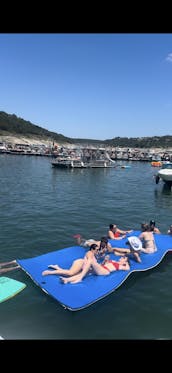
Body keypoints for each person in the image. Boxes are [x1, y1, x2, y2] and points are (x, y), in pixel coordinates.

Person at [60, 255, 130, 284]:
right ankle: (67, 280)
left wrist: (126, 263)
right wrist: (105, 260)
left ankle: (80, 279)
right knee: (85, 272)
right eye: (122, 256)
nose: (121, 257)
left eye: (124, 258)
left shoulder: (122, 265)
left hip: (105, 271)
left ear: (125, 261)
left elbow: (128, 269)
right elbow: (103, 264)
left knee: (90, 261)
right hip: (101, 268)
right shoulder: (114, 261)